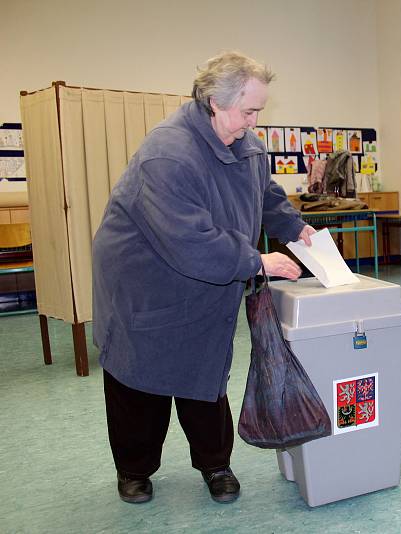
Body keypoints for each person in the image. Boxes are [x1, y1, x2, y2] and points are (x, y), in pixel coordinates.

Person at [92, 51, 316, 504]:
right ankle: (134, 469)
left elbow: (266, 195)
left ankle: (215, 464)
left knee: (206, 372)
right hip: (145, 283)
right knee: (140, 381)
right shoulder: (167, 154)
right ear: (214, 100)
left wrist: (296, 228)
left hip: (208, 277)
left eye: (259, 110)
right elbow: (191, 239)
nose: (254, 121)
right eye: (249, 110)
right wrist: (258, 261)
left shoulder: (246, 144)